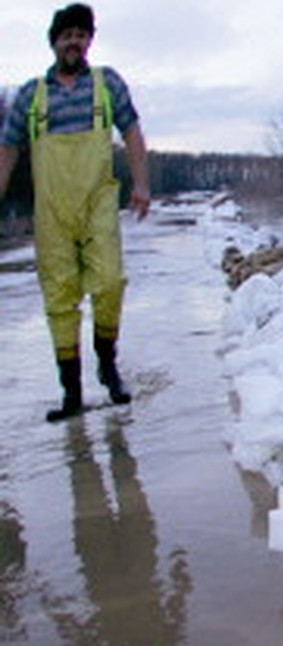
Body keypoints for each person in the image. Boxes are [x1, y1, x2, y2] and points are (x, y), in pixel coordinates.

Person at [0, 3, 151, 422]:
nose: (74, 41)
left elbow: (134, 133)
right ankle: (71, 394)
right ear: (54, 42)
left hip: (98, 203)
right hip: (51, 211)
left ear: (89, 41)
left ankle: (108, 364)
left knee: (110, 281)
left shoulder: (107, 84)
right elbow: (8, 150)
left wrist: (141, 184)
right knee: (59, 298)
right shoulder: (33, 95)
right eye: (66, 35)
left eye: (81, 34)